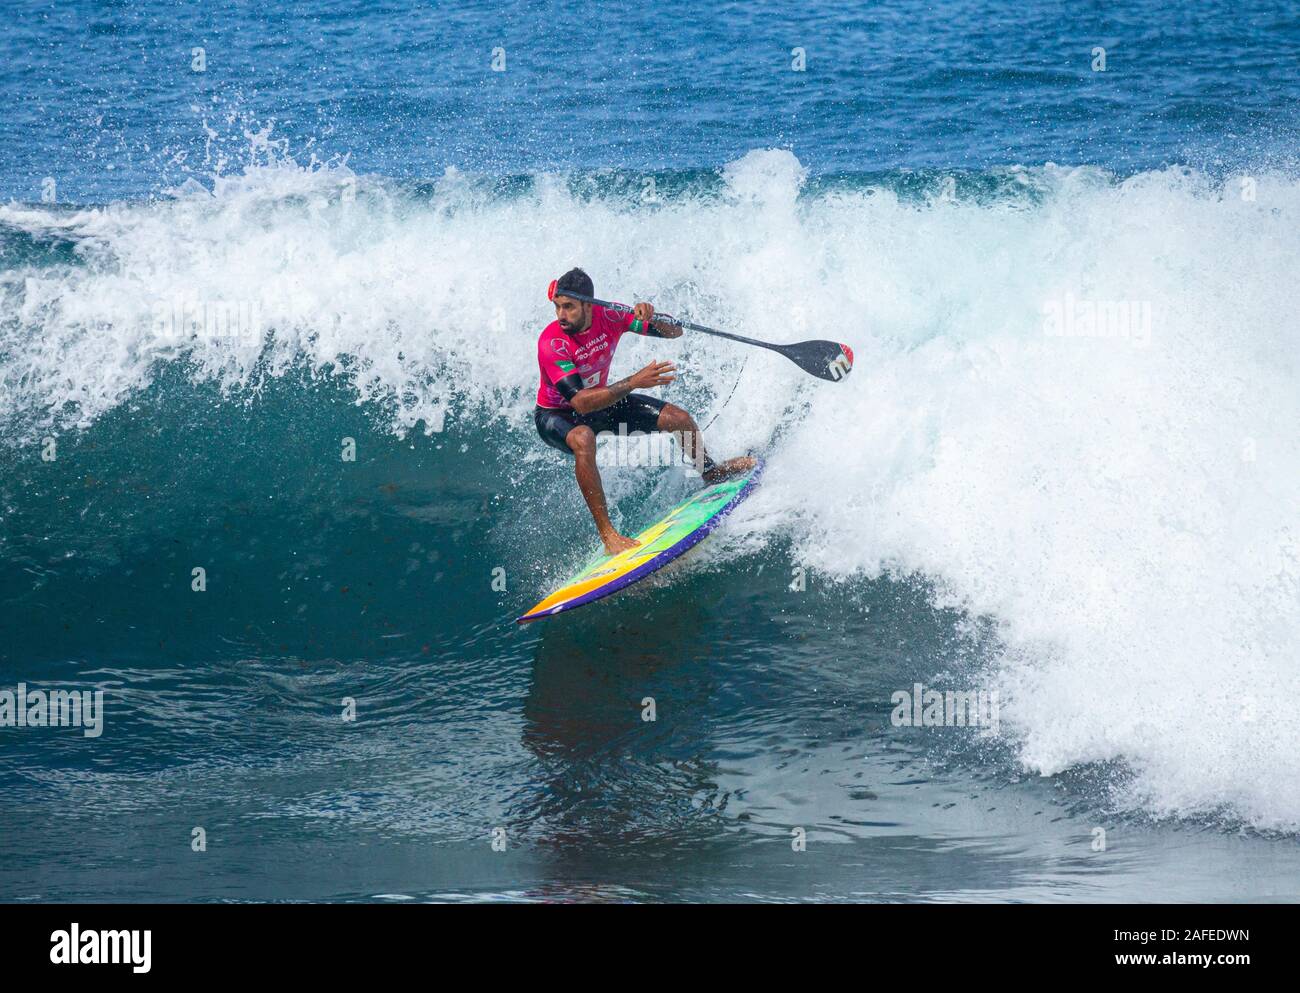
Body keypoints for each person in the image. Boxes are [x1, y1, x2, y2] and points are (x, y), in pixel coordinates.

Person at [534, 268, 756, 555]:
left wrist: (654, 316)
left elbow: (675, 332)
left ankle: (710, 472)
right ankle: (608, 535)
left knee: (678, 419)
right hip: (557, 416)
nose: (561, 315)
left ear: (589, 305)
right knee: (583, 439)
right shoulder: (552, 343)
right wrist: (633, 382)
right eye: (557, 307)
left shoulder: (610, 316)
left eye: (568, 307)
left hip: (600, 405)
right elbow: (580, 403)